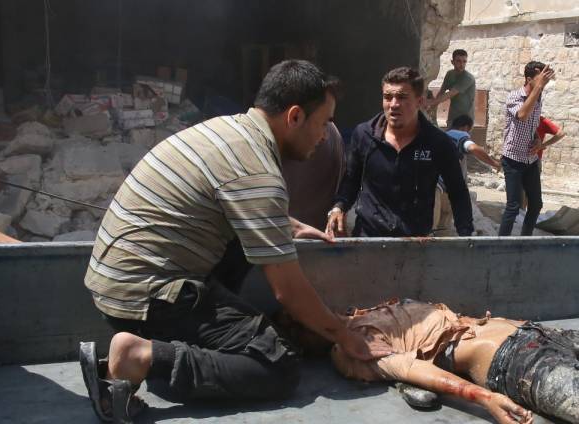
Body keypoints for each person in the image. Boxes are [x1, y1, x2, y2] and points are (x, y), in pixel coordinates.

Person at [79, 60, 390, 423]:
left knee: (248, 247)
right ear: (294, 117)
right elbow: (287, 290)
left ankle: (163, 344)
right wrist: (346, 335)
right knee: (280, 363)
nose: (325, 135)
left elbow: (227, 199)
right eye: (323, 123)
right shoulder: (257, 172)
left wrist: (284, 225)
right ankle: (142, 356)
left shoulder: (227, 131)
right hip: (148, 299)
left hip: (115, 287)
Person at [331, 299, 579, 424]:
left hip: (540, 333)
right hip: (515, 359)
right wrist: (484, 397)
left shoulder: (364, 313)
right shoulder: (349, 350)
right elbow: (410, 368)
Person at [326, 67, 473, 238]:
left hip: (416, 244)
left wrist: (467, 237)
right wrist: (339, 207)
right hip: (368, 240)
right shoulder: (364, 135)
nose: (394, 104)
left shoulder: (438, 142)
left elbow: (458, 192)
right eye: (388, 97)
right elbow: (351, 180)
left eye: (402, 97)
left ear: (419, 101)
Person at [498, 61, 555, 236]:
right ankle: (501, 244)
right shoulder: (514, 97)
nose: (543, 82)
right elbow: (522, 115)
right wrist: (538, 88)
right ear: (529, 79)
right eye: (539, 79)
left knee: (536, 204)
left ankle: (525, 240)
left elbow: (533, 123)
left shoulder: (538, 98)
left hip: (530, 160)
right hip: (513, 159)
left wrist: (537, 139)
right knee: (513, 206)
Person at [433, 114, 501, 234]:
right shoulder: (459, 135)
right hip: (444, 187)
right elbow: (473, 149)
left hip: (434, 186)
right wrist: (495, 163)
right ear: (465, 127)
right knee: (442, 233)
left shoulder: (441, 135)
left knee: (433, 232)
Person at [282, 122, 345, 231]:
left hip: (287, 233)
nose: (324, 136)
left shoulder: (296, 132)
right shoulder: (332, 131)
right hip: (321, 234)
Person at [426, 49, 476, 127]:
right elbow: (441, 92)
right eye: (458, 61)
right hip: (453, 115)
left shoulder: (468, 78)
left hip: (466, 118)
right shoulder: (450, 74)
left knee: (461, 138)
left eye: (464, 61)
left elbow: (450, 94)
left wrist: (430, 102)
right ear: (452, 62)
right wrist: (431, 109)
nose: (462, 64)